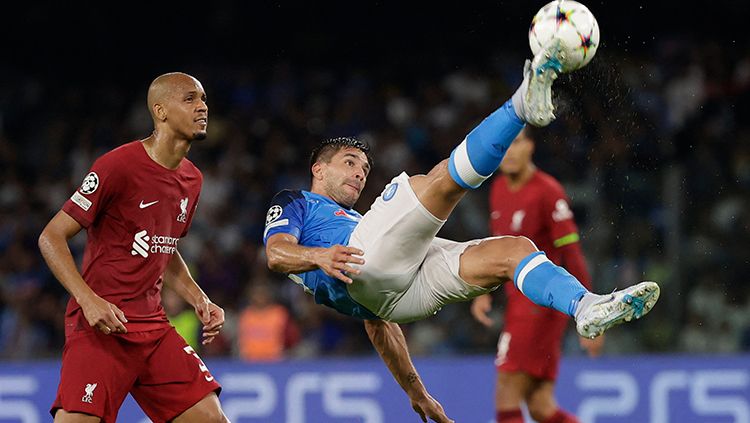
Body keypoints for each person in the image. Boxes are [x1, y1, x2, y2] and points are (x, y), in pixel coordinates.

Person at [263, 41, 660, 423]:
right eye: (350, 163)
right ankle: (521, 105)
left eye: (364, 169)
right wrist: (319, 255)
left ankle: (585, 306)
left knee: (513, 251)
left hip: (393, 303)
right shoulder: (296, 202)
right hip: (362, 269)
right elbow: (276, 253)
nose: (359, 174)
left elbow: (379, 326)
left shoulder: (358, 222)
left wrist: (416, 392)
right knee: (431, 183)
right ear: (319, 169)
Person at [38, 72, 229, 423]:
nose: (202, 107)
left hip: (154, 328)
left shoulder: (192, 179)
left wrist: (199, 298)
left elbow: (164, 248)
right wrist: (88, 299)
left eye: (203, 99)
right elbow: (51, 237)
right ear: (161, 111)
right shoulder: (118, 166)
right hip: (103, 327)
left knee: (212, 419)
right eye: (189, 99)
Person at [471, 126, 603, 423]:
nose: (509, 152)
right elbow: (498, 251)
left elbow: (572, 255)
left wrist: (589, 309)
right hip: (519, 306)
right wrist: (483, 292)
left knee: (506, 392)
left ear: (530, 146)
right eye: (503, 146)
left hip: (540, 308)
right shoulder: (499, 189)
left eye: (516, 143)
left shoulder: (547, 191)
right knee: (541, 405)